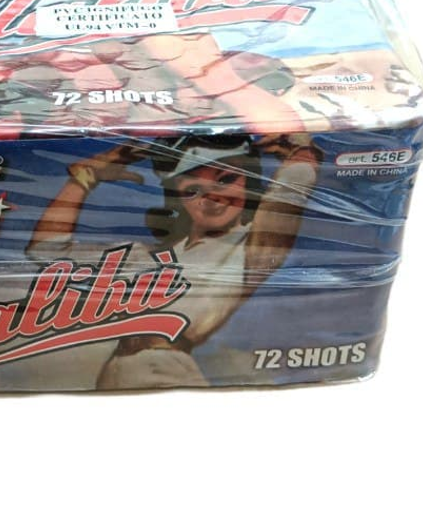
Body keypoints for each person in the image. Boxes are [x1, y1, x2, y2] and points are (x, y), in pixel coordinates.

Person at [26, 134, 321, 389]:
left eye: (226, 179)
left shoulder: (250, 248)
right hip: (112, 372)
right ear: (178, 198)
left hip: (165, 370)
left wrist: (302, 148)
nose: (211, 197)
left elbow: (288, 194)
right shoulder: (142, 255)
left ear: (248, 183)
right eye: (192, 190)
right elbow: (46, 251)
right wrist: (86, 176)